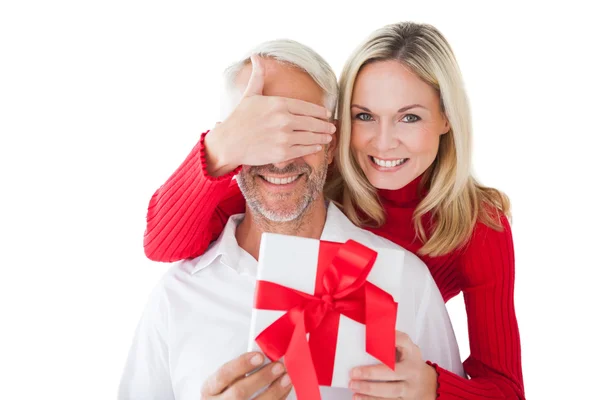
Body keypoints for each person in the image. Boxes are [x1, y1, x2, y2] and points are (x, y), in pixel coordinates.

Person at [142, 22, 524, 399]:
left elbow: (506, 388)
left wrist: (433, 388)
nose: (384, 143)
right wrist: (223, 146)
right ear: (342, 129)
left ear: (446, 118)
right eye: (364, 116)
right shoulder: (295, 180)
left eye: (410, 116)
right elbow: (161, 242)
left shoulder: (474, 229)